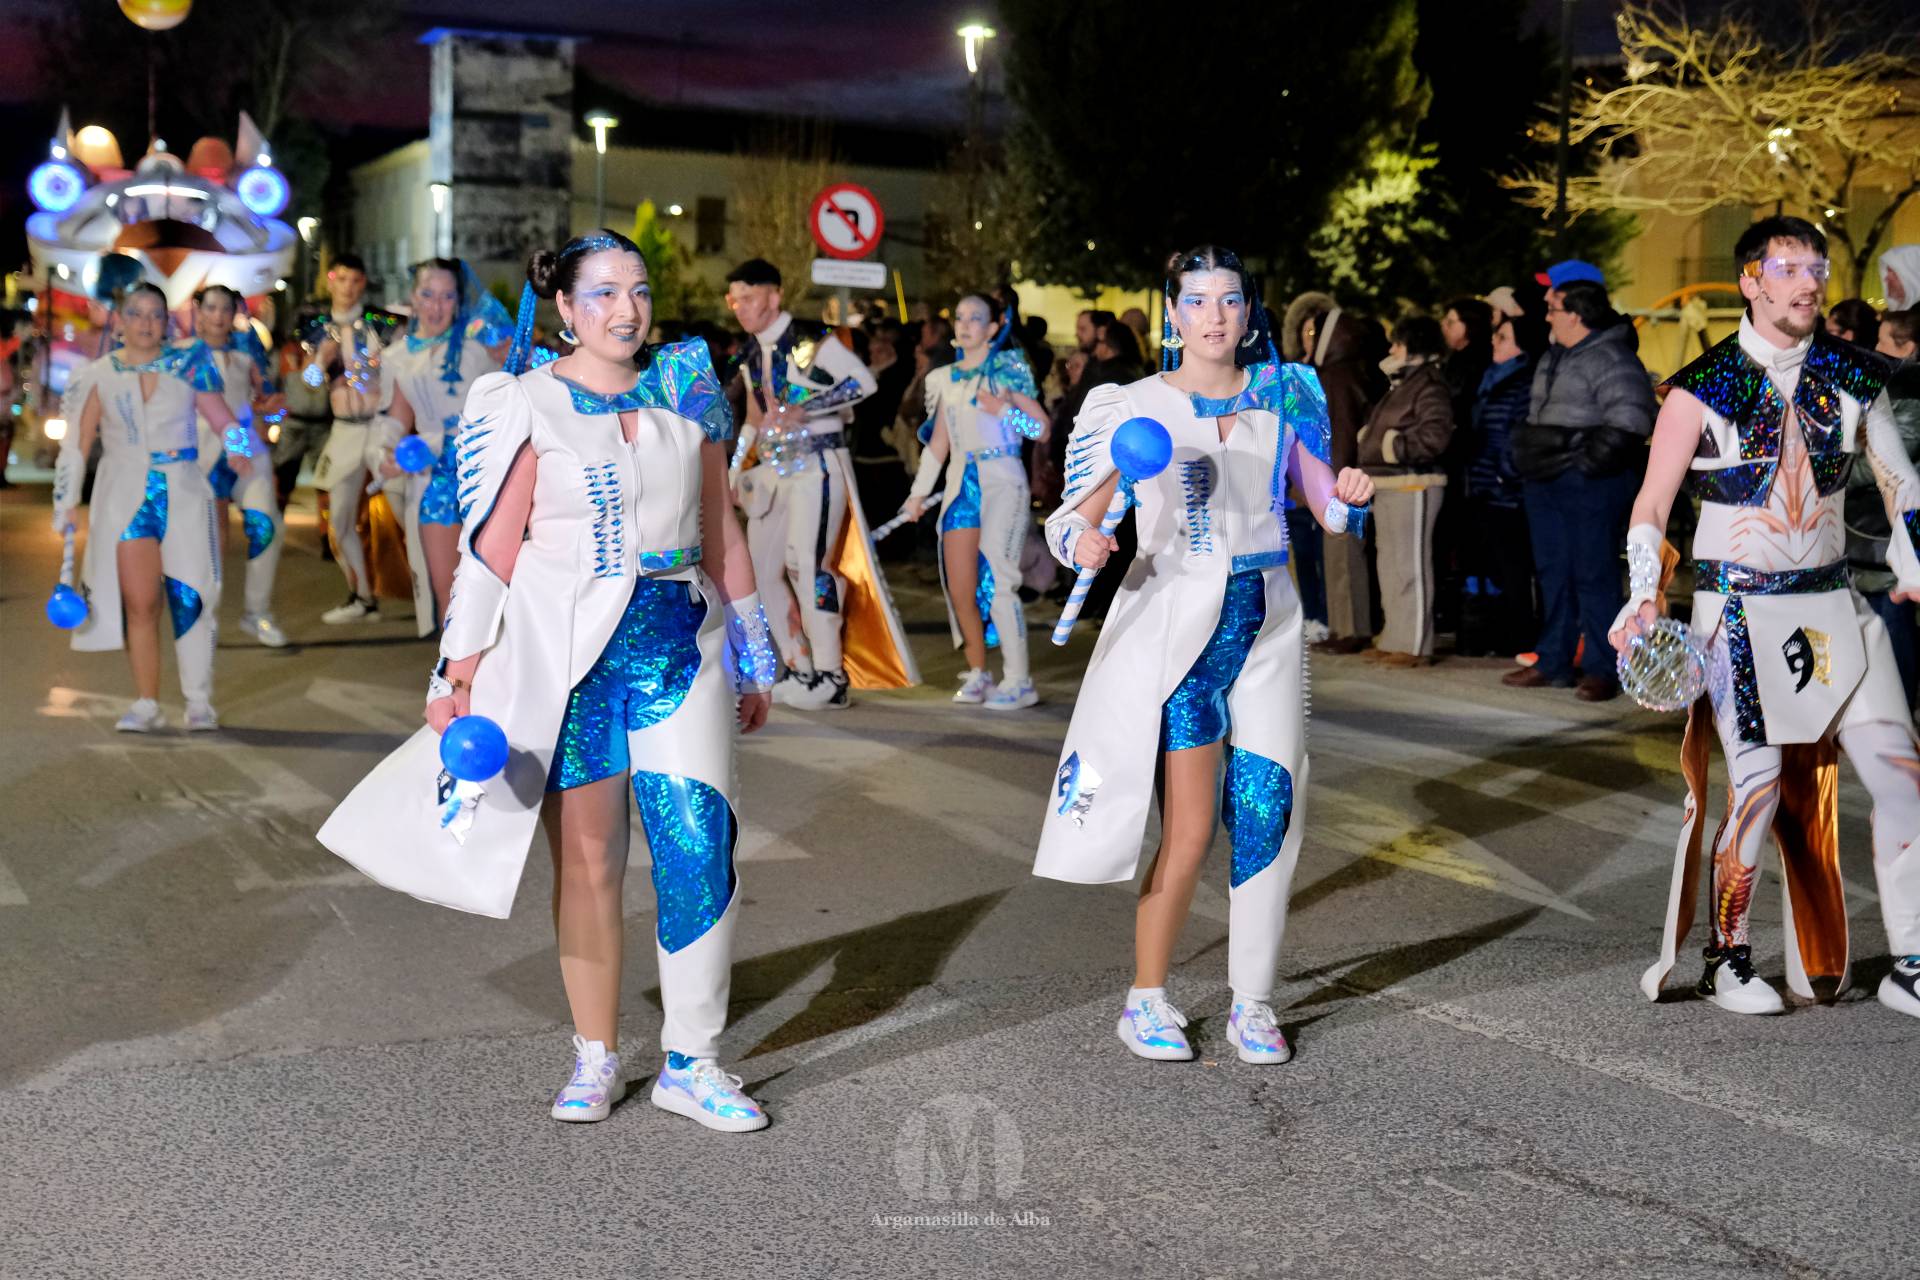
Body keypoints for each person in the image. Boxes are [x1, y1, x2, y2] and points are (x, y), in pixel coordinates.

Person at [320, 230, 779, 1128]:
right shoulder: (525, 399)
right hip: (570, 661)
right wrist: (455, 669)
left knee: (699, 845)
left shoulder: (686, 387)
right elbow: (493, 548)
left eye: (638, 290)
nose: (626, 309)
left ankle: (693, 1062)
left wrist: (757, 652)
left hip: (679, 647)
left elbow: (721, 527)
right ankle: (595, 1054)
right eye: (603, 292)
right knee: (591, 859)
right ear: (564, 307)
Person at [1035, 245, 1374, 1066]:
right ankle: (1145, 999)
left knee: (1268, 810)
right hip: (1178, 630)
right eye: (1196, 300)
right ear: (1173, 313)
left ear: (1249, 310)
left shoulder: (1284, 392)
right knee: (1187, 830)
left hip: (1268, 627)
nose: (1214, 316)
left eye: (1229, 300)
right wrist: (1081, 540)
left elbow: (1322, 501)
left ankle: (1252, 1003)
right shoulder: (1131, 405)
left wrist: (1348, 501)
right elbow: (1072, 516)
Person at [1614, 216, 1920, 1020]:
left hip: (1839, 605)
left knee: (1902, 775)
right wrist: (1643, 592)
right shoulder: (1700, 387)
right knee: (1754, 791)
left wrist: (1916, 556)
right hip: (1741, 611)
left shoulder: (1853, 376)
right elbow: (1651, 503)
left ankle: (1913, 959)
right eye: (1788, 268)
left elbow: (1902, 482)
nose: (1807, 282)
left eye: (1816, 267)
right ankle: (1729, 953)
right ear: (1749, 282)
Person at [51, 280, 247, 731]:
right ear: (121, 321)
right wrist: (66, 502)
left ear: (168, 322)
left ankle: (198, 701)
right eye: (137, 313)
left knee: (190, 596)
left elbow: (223, 419)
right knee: (140, 604)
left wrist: (239, 449)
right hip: (125, 496)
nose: (146, 323)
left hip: (182, 490)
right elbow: (78, 444)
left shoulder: (189, 364)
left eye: (156, 314)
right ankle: (146, 703)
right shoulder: (99, 374)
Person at [724, 257, 918, 708]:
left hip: (818, 463)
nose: (740, 307)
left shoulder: (811, 338)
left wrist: (806, 409)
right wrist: (734, 469)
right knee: (760, 569)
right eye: (734, 300)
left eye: (748, 297)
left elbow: (863, 383)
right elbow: (754, 415)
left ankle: (831, 675)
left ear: (774, 296)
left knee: (808, 565)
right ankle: (800, 666)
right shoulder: (751, 351)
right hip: (775, 468)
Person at [1507, 276, 1655, 700]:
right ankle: (1553, 659)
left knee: (1593, 574)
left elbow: (1632, 418)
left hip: (1590, 483)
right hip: (1547, 480)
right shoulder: (1555, 355)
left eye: (1553, 308)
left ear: (1575, 315)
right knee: (1553, 572)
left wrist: (1586, 463)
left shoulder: (1610, 357)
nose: (1547, 316)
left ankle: (1603, 668)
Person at [901, 293, 1050, 708]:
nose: (965, 325)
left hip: (1002, 481)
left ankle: (1019, 680)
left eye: (975, 318)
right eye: (960, 317)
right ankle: (979, 672)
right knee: (961, 586)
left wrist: (1003, 410)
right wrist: (917, 495)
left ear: (993, 326)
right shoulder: (943, 379)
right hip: (960, 487)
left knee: (1001, 581)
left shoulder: (1007, 371)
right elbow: (939, 445)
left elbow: (1041, 430)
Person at [375, 259, 510, 635]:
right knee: (447, 590)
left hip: (487, 471)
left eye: (447, 296)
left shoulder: (481, 347)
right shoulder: (397, 356)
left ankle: (498, 668)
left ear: (459, 301)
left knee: (496, 584)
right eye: (428, 294)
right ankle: (455, 670)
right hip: (433, 477)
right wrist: (385, 452)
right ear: (413, 298)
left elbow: (516, 396)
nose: (436, 306)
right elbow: (397, 418)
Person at [187, 285, 289, 647]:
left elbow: (266, 399)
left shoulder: (247, 351)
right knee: (210, 542)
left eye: (225, 309)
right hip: (201, 454)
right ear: (198, 311)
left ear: (235, 314)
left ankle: (256, 613)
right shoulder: (182, 354)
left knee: (267, 525)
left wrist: (273, 408)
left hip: (247, 450)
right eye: (211, 308)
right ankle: (205, 619)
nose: (218, 316)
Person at [305, 254, 402, 624]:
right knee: (340, 518)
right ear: (331, 280)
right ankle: (362, 596)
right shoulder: (318, 329)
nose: (348, 288)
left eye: (356, 280)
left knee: (406, 507)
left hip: (380, 426)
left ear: (363, 283)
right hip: (345, 429)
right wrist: (320, 362)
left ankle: (437, 593)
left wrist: (379, 364)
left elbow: (405, 362)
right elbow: (309, 383)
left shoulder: (382, 324)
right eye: (342, 279)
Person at [1355, 315, 1455, 664]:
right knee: (1391, 565)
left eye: (1398, 342)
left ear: (1415, 347)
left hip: (1414, 483)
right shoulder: (1404, 383)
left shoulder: (1428, 385)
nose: (1392, 348)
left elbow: (1435, 435)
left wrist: (1391, 448)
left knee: (1410, 564)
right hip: (1390, 482)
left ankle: (1414, 645)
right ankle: (1394, 638)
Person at [1458, 309, 1546, 657]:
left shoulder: (1524, 382)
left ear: (1522, 346)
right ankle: (1498, 635)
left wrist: (1504, 473)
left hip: (1508, 493)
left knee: (1514, 569)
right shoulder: (1491, 378)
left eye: (1503, 337)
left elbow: (1519, 434)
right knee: (1493, 568)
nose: (1494, 342)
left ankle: (1521, 638)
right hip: (1483, 487)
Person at [1847, 307, 1920, 713]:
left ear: (1907, 348)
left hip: (1888, 537)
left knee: (1893, 629)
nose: (1875, 347)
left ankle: (1899, 715)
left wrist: (1830, 472)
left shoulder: (1910, 395)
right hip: (1874, 537)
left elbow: (1898, 475)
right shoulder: (1885, 387)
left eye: (1884, 341)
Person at [1298, 301, 1381, 655]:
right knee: (1337, 557)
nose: (1308, 339)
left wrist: (1332, 482)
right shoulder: (1342, 372)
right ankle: (1344, 626)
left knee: (1344, 556)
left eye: (1313, 332)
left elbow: (1341, 431)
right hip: (1339, 477)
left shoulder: (1338, 376)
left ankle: (1351, 629)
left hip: (1340, 482)